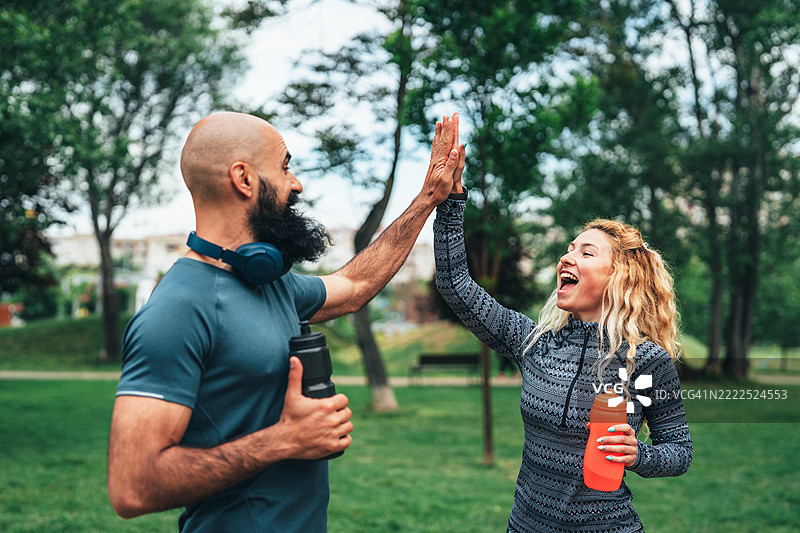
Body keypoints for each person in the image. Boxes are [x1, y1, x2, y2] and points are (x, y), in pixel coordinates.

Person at [107, 110, 463, 532]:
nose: (296, 183)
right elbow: (132, 487)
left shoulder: (271, 285)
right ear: (244, 178)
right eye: (285, 166)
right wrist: (285, 439)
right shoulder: (178, 310)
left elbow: (356, 284)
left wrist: (428, 198)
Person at [434, 149, 692, 532]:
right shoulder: (533, 342)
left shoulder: (647, 360)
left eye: (586, 252)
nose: (567, 258)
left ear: (618, 277)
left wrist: (638, 454)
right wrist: (451, 201)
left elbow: (679, 451)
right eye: (569, 249)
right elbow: (454, 284)